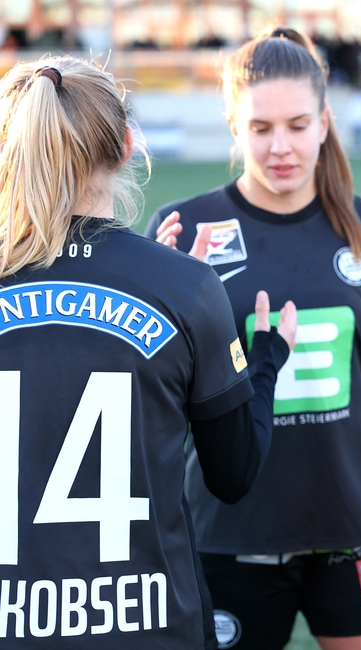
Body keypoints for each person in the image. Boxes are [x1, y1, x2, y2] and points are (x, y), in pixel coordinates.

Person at [146, 26, 361, 650]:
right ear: (232, 125)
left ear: (326, 122)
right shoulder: (184, 228)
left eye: (298, 125)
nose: (281, 146)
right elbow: (156, 402)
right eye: (261, 128)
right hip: (226, 536)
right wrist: (163, 291)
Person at [0, 56, 295, 648]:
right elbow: (233, 473)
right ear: (129, 145)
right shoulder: (185, 286)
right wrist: (266, 358)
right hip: (154, 626)